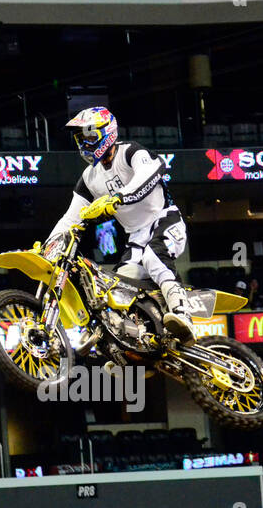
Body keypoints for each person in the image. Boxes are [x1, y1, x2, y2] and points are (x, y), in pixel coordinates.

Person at [49, 107, 193, 340]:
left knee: (152, 257)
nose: (85, 144)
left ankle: (182, 312)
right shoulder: (89, 177)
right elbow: (70, 218)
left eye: (90, 136)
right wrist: (48, 246)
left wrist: (118, 198)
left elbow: (152, 171)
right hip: (136, 238)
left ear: (108, 133)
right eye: (80, 139)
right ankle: (139, 342)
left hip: (165, 221)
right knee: (116, 287)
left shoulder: (130, 152)